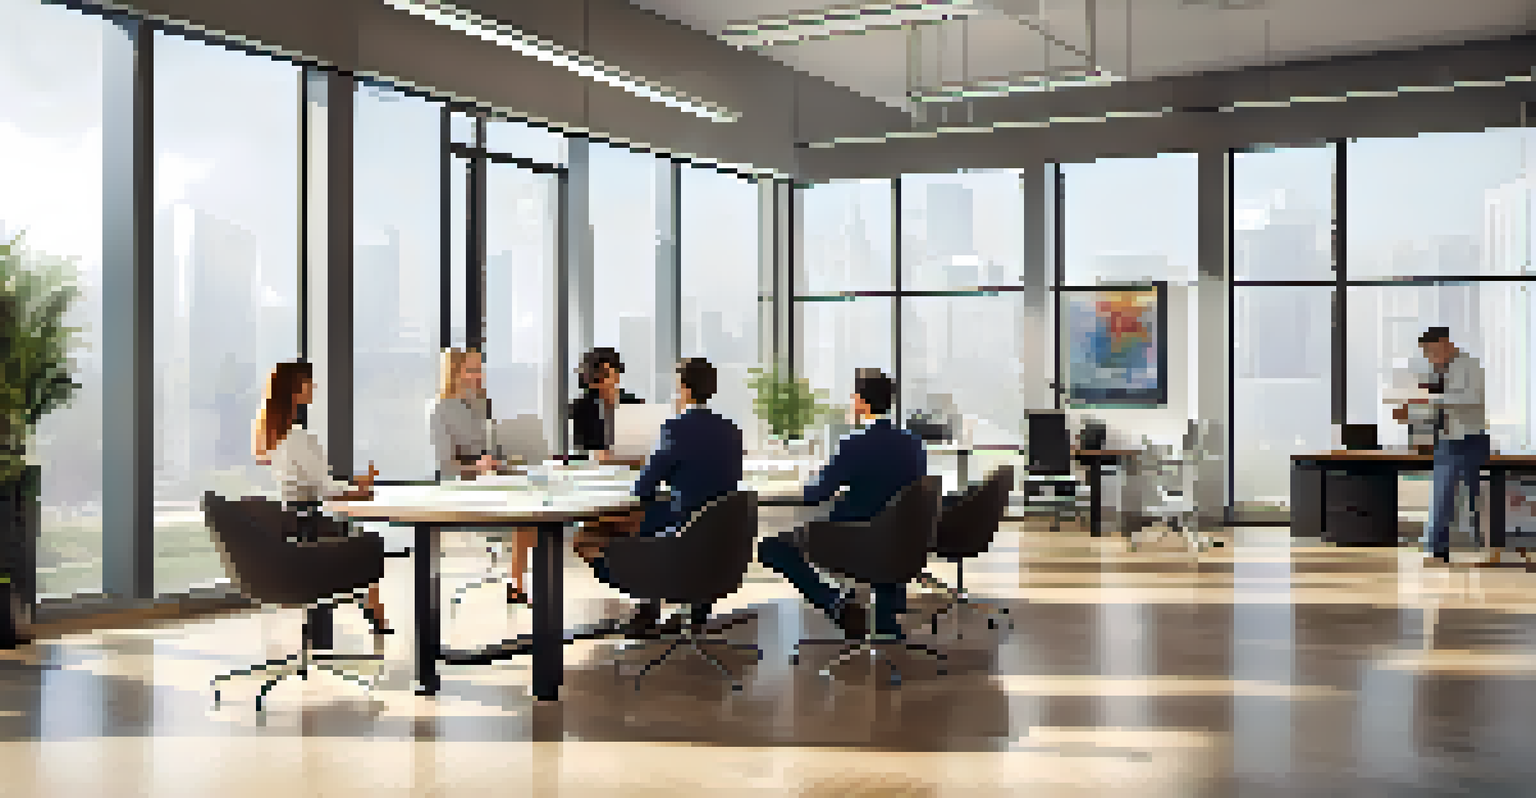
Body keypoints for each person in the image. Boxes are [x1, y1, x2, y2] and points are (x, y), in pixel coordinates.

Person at [576, 358, 744, 634]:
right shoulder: (732, 429)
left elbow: (643, 489)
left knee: (587, 536)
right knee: (646, 521)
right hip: (721, 542)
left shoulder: (676, 428)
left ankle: (647, 596)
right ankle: (676, 608)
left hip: (684, 539)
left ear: (684, 389)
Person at [757, 368, 927, 641]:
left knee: (772, 548)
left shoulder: (854, 443)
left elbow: (816, 495)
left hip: (857, 542)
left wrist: (814, 479)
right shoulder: (914, 444)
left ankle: (836, 604)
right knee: (883, 524)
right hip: (902, 543)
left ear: (860, 401)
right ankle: (884, 617)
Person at [253, 361, 392, 634]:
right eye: (308, 382)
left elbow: (312, 483)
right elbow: (327, 489)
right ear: (295, 390)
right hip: (310, 526)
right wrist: (359, 491)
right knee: (369, 544)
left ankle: (365, 603)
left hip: (292, 524)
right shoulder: (298, 437)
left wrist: (352, 486)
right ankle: (371, 605)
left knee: (358, 539)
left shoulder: (273, 437)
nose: (313, 386)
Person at [430, 348, 535, 604]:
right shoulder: (441, 410)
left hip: (492, 481)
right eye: (472, 370)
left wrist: (504, 461)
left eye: (480, 369)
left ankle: (519, 582)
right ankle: (517, 583)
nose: (479, 375)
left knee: (534, 509)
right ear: (455, 373)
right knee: (527, 517)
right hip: (463, 488)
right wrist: (477, 467)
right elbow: (447, 467)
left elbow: (493, 449)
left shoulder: (482, 404)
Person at [1403, 328, 1490, 565]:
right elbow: (1436, 405)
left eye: (1432, 352)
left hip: (1470, 438)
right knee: (1441, 495)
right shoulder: (1438, 371)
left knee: (1476, 497)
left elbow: (1472, 399)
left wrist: (1434, 399)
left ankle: (1485, 546)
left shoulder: (1469, 365)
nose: (1430, 358)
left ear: (1445, 344)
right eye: (1426, 354)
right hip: (1446, 438)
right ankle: (1435, 548)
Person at [569, 347, 644, 466]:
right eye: (594, 375)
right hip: (597, 469)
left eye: (604, 374)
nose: (599, 379)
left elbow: (644, 446)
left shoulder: (633, 404)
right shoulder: (582, 407)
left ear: (617, 375)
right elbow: (584, 450)